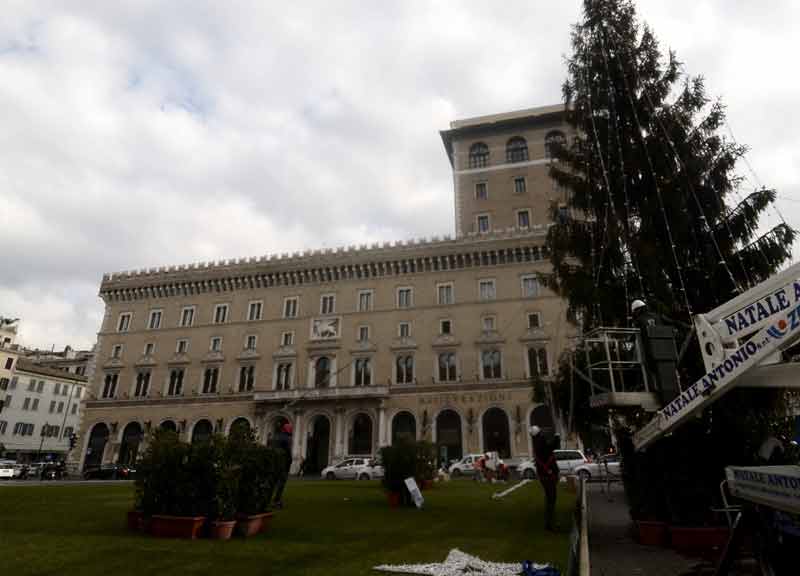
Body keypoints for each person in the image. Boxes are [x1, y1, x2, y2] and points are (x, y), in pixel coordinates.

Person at [530, 425, 559, 531]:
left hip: (545, 475)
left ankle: (549, 523)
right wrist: (557, 436)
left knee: (550, 499)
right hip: (548, 475)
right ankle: (550, 524)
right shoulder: (540, 442)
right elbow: (551, 447)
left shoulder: (537, 442)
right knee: (551, 499)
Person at [272, 422, 293, 509]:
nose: (291, 430)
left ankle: (269, 500)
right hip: (283, 463)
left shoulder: (276, 437)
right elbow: (288, 451)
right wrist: (290, 461)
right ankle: (276, 501)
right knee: (281, 483)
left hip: (275, 462)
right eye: (290, 429)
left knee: (273, 482)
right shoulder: (287, 438)